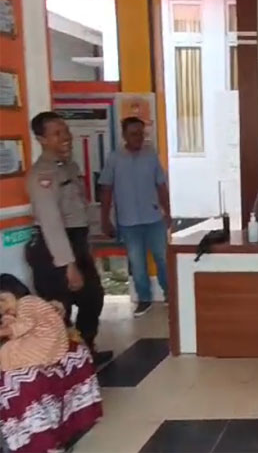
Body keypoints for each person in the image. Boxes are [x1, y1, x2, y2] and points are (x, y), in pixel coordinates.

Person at [24, 111, 113, 366]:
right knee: (58, 308)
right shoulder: (42, 175)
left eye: (65, 131)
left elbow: (80, 211)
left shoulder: (69, 167)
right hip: (54, 249)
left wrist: (85, 248)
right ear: (42, 139)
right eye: (57, 133)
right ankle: (62, 363)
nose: (66, 137)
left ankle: (84, 352)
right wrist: (68, 265)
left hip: (76, 242)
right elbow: (51, 223)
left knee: (93, 297)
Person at [99, 117, 171, 317]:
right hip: (128, 222)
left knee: (163, 259)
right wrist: (104, 219)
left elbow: (161, 185)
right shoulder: (114, 159)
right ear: (124, 135)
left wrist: (168, 211)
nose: (138, 137)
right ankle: (144, 299)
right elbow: (106, 189)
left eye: (141, 133)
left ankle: (171, 295)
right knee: (137, 264)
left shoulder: (151, 156)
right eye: (133, 134)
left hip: (154, 218)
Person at [0, 274, 68, 371]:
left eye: (2, 300)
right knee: (9, 348)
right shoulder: (22, 308)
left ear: (16, 291)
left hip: (46, 344)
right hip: (55, 349)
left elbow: (23, 325)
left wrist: (4, 331)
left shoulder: (26, 301)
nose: (2, 307)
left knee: (8, 350)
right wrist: (9, 320)